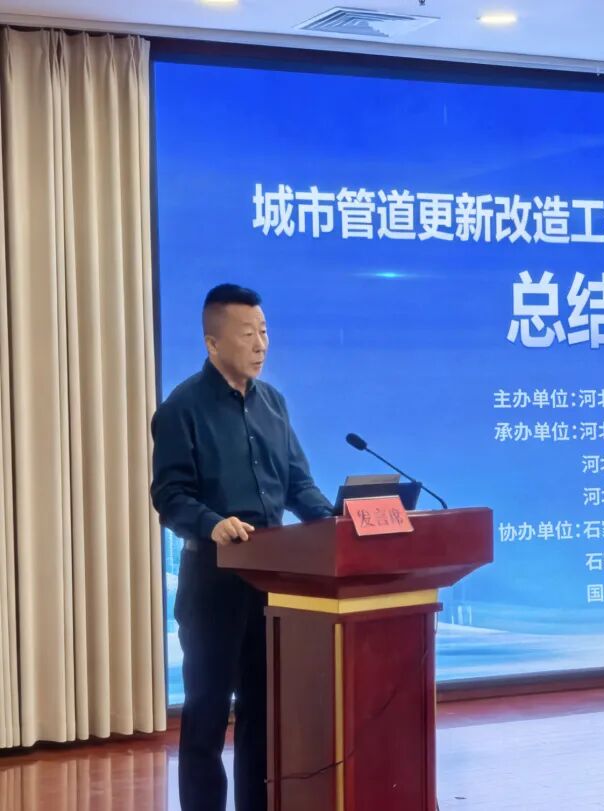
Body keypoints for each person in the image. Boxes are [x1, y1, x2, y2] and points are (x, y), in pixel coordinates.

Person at [151, 283, 333, 811]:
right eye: (247, 334)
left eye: (265, 332)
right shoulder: (182, 408)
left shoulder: (273, 404)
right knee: (207, 713)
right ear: (212, 343)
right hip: (214, 581)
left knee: (262, 709)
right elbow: (169, 495)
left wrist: (335, 520)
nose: (261, 344)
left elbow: (297, 483)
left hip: (272, 584)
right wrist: (212, 523)